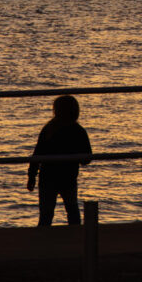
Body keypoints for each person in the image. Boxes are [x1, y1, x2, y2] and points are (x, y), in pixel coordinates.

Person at [27, 94, 92, 226]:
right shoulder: (78, 131)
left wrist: (31, 176)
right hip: (68, 177)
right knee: (72, 212)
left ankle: (43, 241)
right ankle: (76, 239)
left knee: (46, 215)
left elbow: (37, 154)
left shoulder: (48, 129)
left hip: (48, 177)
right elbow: (87, 159)